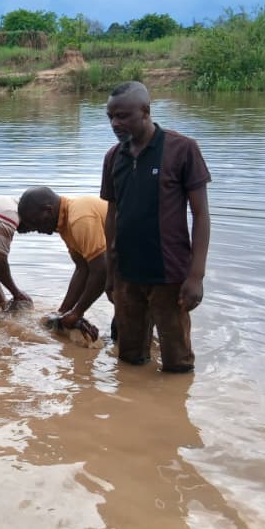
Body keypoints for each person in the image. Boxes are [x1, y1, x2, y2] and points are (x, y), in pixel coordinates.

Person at [100, 81, 211, 372]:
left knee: (178, 363)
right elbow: (112, 215)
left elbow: (200, 215)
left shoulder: (182, 149)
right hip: (127, 276)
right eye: (110, 116)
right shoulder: (113, 157)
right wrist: (111, 273)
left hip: (170, 276)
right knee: (129, 360)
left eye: (122, 116)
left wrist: (196, 275)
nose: (115, 123)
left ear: (146, 111)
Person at [17, 187, 109, 341]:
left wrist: (77, 313)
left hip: (144, 263)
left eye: (34, 222)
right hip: (127, 265)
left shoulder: (79, 219)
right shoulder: (65, 224)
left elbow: (101, 271)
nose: (35, 229)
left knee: (128, 337)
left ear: (48, 210)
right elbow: (82, 269)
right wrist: (63, 313)